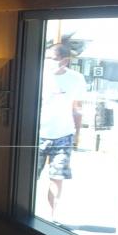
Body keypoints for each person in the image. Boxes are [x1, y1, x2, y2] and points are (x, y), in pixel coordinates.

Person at [37, 35, 87, 220]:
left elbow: (77, 108)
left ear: (65, 61)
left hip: (64, 134)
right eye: (47, 58)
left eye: (53, 59)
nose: (48, 62)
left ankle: (52, 215)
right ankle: (28, 211)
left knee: (57, 176)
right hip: (37, 133)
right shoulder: (38, 75)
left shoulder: (76, 79)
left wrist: (77, 134)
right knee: (29, 175)